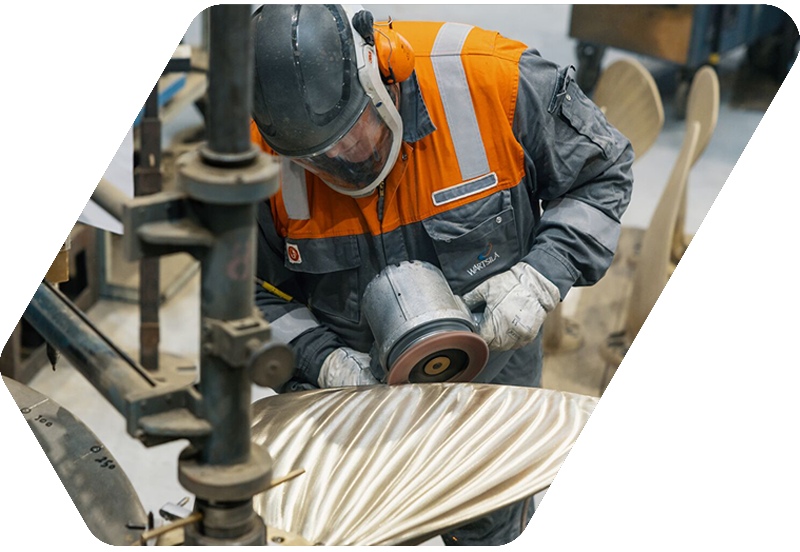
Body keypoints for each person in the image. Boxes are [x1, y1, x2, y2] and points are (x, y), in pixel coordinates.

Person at [249, 4, 633, 545]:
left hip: (490, 398)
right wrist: (321, 360)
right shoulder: (255, 156)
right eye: (321, 158)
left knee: (490, 531)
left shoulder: (488, 79)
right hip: (357, 422)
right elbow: (244, 297)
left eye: (355, 130)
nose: (347, 158)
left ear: (378, 71)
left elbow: (603, 173)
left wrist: (541, 275)